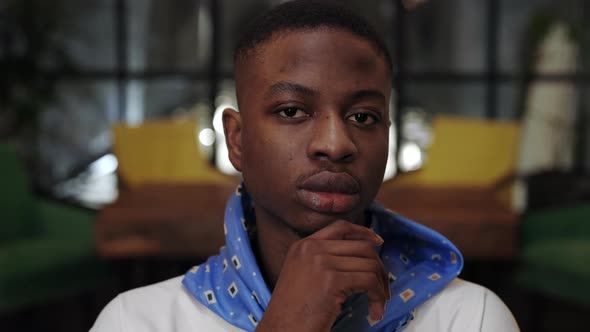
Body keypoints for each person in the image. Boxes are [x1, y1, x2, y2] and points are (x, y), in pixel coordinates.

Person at [90, 1, 520, 331]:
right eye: (293, 111)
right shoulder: (137, 321)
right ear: (236, 139)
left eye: (364, 117)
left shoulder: (468, 318)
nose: (336, 144)